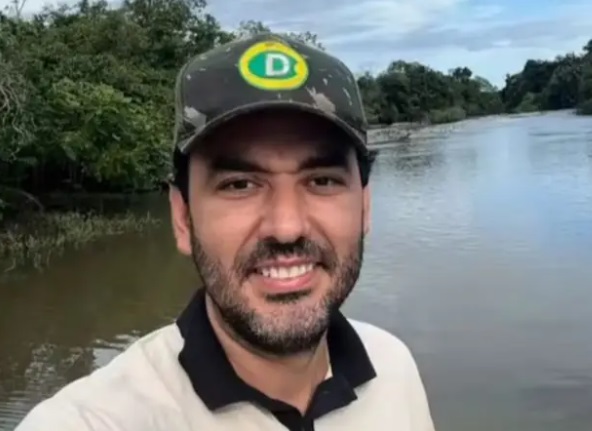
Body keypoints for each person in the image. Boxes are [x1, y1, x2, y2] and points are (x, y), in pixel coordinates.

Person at [15, 34, 436, 431]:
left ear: (364, 207)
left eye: (322, 181)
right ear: (183, 217)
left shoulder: (392, 369)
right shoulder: (93, 421)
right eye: (240, 185)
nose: (286, 227)